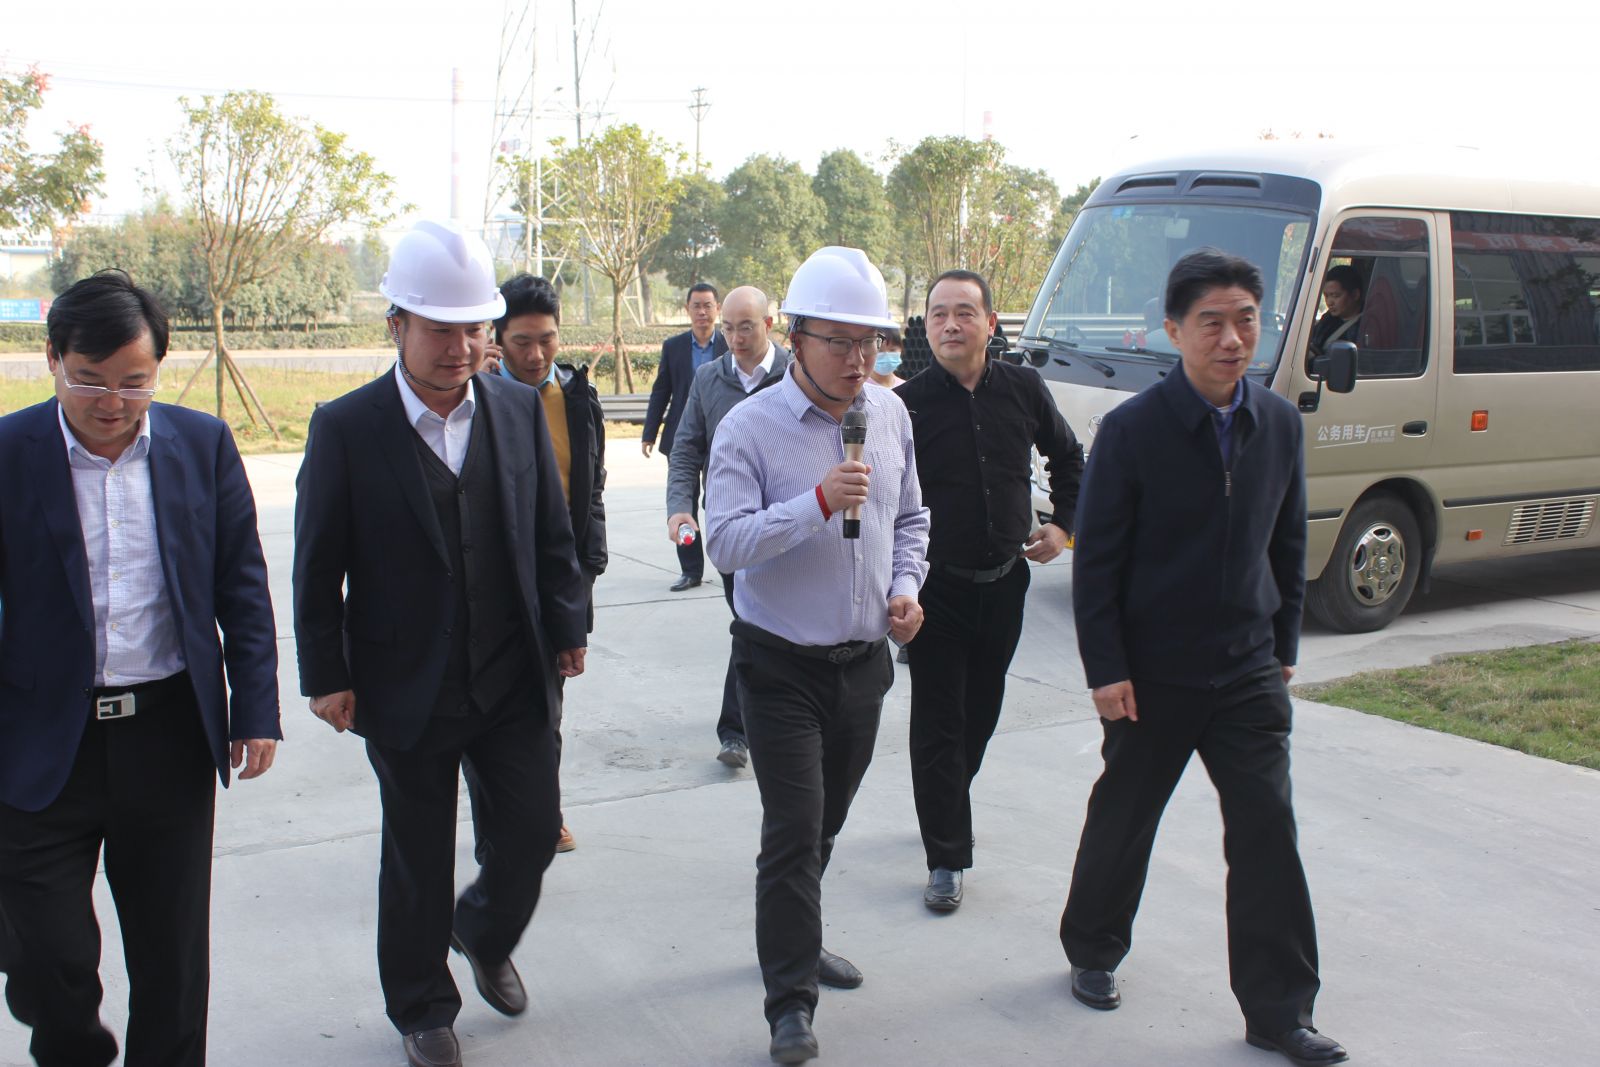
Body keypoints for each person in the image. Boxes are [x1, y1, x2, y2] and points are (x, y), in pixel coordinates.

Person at [293, 220, 589, 1067]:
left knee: (529, 834)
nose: (461, 347)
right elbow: (316, 564)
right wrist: (326, 673)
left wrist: (567, 624)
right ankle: (422, 1004)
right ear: (396, 325)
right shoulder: (347, 427)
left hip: (511, 670)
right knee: (417, 853)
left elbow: (550, 530)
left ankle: (482, 929)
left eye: (473, 328)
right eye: (440, 329)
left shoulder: (515, 409)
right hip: (404, 679)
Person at [1060, 249, 1347, 1067]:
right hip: (1152, 673)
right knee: (1125, 816)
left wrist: (1283, 644)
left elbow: (1288, 542)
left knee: (1266, 831)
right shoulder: (1132, 431)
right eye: (1212, 322)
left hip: (1248, 668)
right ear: (1174, 329)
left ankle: (1280, 1009)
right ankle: (1093, 946)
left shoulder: (1279, 423)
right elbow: (1098, 562)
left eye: (1245, 321)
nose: (1231, 339)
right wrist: (1106, 668)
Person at [0, 270, 280, 1066]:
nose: (112, 402)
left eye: (134, 381)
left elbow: (241, 582)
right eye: (89, 380)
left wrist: (254, 707)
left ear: (159, 365)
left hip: (166, 735)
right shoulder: (9, 452)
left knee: (171, 958)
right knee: (44, 954)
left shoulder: (201, 444)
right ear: (52, 360)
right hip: (37, 743)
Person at [705, 246, 929, 1064]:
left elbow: (911, 519)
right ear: (795, 337)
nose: (858, 358)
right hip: (779, 668)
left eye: (870, 341)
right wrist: (816, 502)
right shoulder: (749, 427)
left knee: (825, 823)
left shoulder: (891, 415)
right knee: (794, 831)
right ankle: (790, 1003)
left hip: (864, 664)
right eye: (839, 341)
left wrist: (905, 587)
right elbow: (727, 542)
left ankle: (796, 935)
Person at [896, 269, 1082, 913]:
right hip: (935, 591)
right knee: (938, 724)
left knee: (981, 713)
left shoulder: (1024, 388)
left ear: (990, 323)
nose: (951, 324)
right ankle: (946, 855)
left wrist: (1063, 524)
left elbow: (1069, 457)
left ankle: (946, 801)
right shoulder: (905, 405)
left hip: (1005, 585)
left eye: (965, 312)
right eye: (939, 314)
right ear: (926, 326)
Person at [487, 272, 607, 853]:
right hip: (490, 579)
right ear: (496, 340)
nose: (536, 356)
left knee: (547, 706)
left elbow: (592, 488)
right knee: (487, 713)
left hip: (558, 578)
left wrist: (588, 569)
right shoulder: (476, 399)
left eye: (547, 340)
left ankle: (545, 809)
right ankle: (497, 827)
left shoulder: (577, 399)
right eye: (522, 343)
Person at [665, 285, 791, 769]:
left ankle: (756, 725)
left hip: (790, 524)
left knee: (770, 629)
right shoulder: (709, 379)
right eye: (729, 329)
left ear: (769, 325)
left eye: (746, 328)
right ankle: (737, 731)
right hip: (732, 529)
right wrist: (680, 507)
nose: (736, 339)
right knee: (752, 622)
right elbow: (686, 447)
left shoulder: (794, 374)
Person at [643, 283, 728, 591]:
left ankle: (731, 565)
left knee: (720, 500)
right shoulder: (674, 346)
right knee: (684, 503)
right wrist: (649, 432)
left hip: (722, 436)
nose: (702, 312)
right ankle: (690, 570)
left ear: (717, 308)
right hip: (684, 437)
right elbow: (661, 390)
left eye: (708, 305)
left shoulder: (729, 343)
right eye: (696, 306)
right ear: (687, 309)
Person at [1309, 264, 1363, 356]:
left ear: (1355, 295)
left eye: (1335, 296)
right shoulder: (1327, 319)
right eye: (1326, 296)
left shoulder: (1365, 327)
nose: (1329, 302)